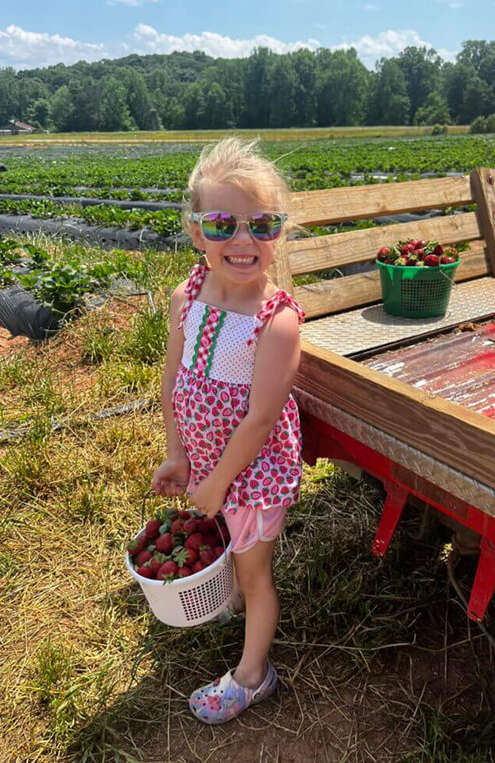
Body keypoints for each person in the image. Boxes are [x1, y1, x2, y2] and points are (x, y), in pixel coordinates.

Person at [151, 137, 304, 725]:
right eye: (222, 224)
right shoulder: (186, 295)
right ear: (196, 233)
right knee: (227, 541)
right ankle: (230, 596)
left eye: (262, 224)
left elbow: (261, 418)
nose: (243, 241)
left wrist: (218, 481)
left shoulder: (278, 320)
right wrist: (177, 454)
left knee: (255, 570)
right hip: (207, 462)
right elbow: (172, 381)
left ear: (279, 233)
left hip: (253, 470)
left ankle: (251, 675)